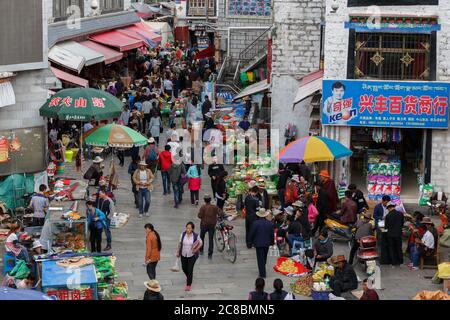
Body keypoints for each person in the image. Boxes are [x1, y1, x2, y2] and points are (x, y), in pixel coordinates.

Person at [176, 222, 203, 291]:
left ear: (192, 229)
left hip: (192, 255)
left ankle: (188, 285)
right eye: (187, 228)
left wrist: (196, 249)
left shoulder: (196, 235)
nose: (188, 229)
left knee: (190, 269)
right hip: (183, 254)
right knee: (184, 268)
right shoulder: (183, 234)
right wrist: (178, 251)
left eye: (189, 228)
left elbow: (201, 243)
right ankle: (189, 277)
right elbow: (180, 243)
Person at [249, 209, 275, 278]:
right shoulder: (269, 223)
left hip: (258, 243)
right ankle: (262, 268)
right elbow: (271, 234)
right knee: (264, 256)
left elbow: (252, 233)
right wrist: (272, 242)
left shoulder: (255, 223)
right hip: (266, 243)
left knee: (260, 258)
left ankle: (262, 273)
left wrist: (250, 242)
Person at [197, 195, 222, 259]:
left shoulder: (203, 207)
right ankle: (210, 254)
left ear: (204, 200)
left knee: (202, 237)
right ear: (210, 200)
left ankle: (201, 250)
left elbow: (199, 216)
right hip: (212, 225)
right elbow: (220, 213)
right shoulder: (214, 207)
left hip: (204, 224)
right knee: (211, 239)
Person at [384, 201, 405, 266]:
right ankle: (401, 262)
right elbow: (402, 224)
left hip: (390, 234)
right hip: (398, 234)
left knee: (391, 248)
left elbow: (386, 227)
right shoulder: (400, 214)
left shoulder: (388, 216)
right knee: (399, 247)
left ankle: (393, 262)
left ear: (389, 208)